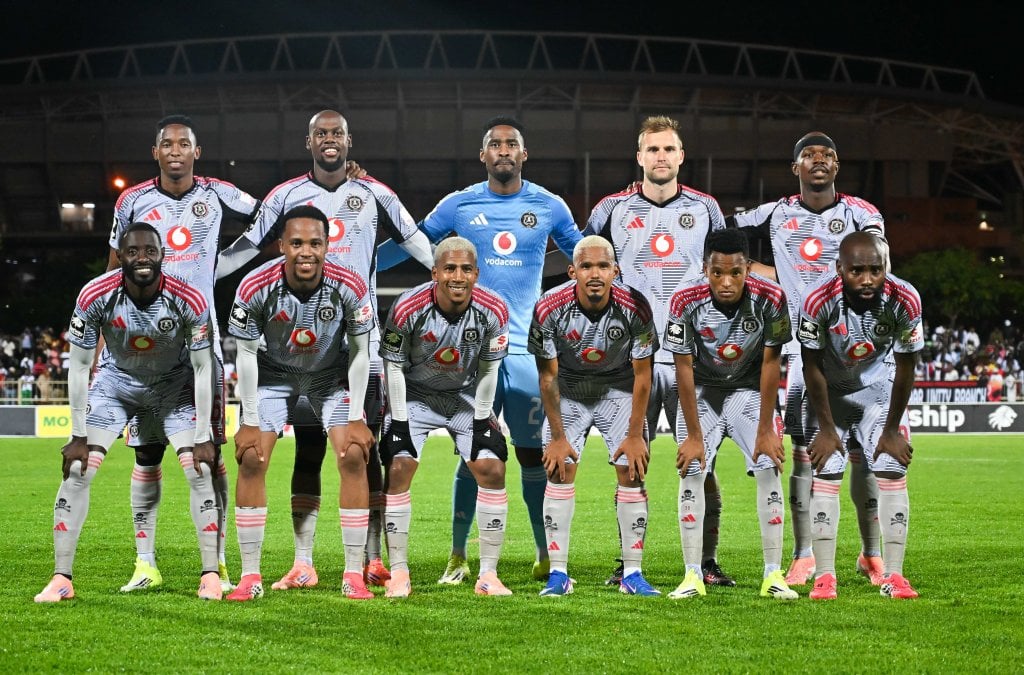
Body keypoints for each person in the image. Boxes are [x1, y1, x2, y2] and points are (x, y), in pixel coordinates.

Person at [218, 109, 433, 590]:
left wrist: (445, 272)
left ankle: (368, 560)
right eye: (321, 133)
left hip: (355, 345)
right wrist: (196, 276)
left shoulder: (374, 192)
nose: (330, 140)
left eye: (337, 133)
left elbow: (415, 238)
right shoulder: (285, 197)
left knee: (363, 448)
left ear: (349, 141)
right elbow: (248, 245)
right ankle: (302, 561)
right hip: (288, 354)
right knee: (308, 452)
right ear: (308, 141)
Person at [377, 115, 582, 584]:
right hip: (469, 351)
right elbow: (413, 243)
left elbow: (585, 252)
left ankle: (543, 552)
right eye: (495, 144)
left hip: (528, 351)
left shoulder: (549, 206)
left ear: (524, 155)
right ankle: (457, 554)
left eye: (512, 144)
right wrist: (361, 259)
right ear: (483, 155)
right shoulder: (459, 204)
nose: (504, 150)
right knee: (474, 454)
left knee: (534, 456)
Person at [729, 132, 887, 586]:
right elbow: (722, 229)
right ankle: (803, 555)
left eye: (827, 156)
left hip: (859, 352)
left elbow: (878, 262)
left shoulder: (861, 213)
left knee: (864, 454)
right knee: (804, 456)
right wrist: (760, 273)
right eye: (808, 156)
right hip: (802, 352)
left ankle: (871, 553)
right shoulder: (776, 213)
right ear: (794, 167)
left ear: (837, 166)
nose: (818, 161)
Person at [110, 114, 260, 593]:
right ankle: (144, 562)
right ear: (155, 152)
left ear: (198, 152)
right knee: (147, 455)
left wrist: (226, 263)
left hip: (200, 348)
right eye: (166, 144)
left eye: (184, 144)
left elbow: (271, 216)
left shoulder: (218, 193)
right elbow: (115, 265)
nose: (175, 150)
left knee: (208, 455)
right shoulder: (132, 200)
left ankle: (215, 562)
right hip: (142, 352)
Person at [584, 115, 733, 587]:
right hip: (634, 360)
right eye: (653, 150)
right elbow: (591, 268)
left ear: (681, 156)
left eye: (669, 149)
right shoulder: (611, 209)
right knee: (631, 463)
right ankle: (628, 565)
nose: (661, 157)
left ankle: (707, 563)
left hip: (695, 358)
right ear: (640, 157)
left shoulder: (707, 209)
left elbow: (724, 275)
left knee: (702, 463)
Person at [35, 223, 220, 602]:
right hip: (116, 385)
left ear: (162, 255)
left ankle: (211, 575)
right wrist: (77, 433)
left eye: (149, 251)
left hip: (172, 386)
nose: (142, 258)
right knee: (77, 468)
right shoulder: (94, 294)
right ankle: (61, 579)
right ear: (120, 256)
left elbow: (203, 368)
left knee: (199, 469)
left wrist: (203, 435)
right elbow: (80, 363)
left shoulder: (189, 298)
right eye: (132, 251)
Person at [224, 205, 376, 601]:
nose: (305, 251)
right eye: (296, 243)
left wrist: (357, 416)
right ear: (281, 247)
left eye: (314, 243)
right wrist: (251, 419)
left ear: (327, 245)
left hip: (328, 376)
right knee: (253, 457)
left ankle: (352, 574)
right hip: (274, 376)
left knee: (354, 454)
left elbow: (361, 351)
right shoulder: (254, 286)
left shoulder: (350, 284)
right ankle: (249, 576)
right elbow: (245, 354)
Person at [662, 229, 798, 600]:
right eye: (717, 272)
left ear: (748, 268)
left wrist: (768, 429)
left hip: (747, 392)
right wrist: (692, 435)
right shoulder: (684, 299)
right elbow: (683, 369)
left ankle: (773, 575)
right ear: (705, 268)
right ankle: (692, 575)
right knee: (691, 468)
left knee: (769, 462)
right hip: (703, 392)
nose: (726, 282)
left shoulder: (771, 297)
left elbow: (772, 363)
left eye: (736, 273)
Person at [378, 237, 513, 597]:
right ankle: (400, 573)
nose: (458, 276)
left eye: (466, 269)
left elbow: (489, 370)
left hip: (464, 397)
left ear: (476, 274)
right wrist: (401, 424)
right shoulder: (407, 307)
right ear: (435, 272)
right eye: (450, 268)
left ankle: (488, 575)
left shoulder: (495, 310)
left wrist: (484, 421)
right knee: (399, 465)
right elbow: (392, 366)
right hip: (415, 394)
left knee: (492, 468)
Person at [528, 235, 659, 597]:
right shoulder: (548, 307)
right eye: (586, 266)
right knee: (560, 469)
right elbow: (548, 376)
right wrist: (557, 437)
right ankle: (559, 575)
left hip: (618, 388)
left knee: (631, 471)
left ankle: (632, 574)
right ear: (573, 272)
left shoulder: (636, 305)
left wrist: (635, 436)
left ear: (616, 270)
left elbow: (644, 375)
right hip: (568, 389)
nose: (595, 273)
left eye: (603, 265)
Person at [799, 232, 922, 600]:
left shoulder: (905, 298)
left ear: (886, 267)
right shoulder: (817, 300)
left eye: (875, 269)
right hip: (829, 394)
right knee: (827, 470)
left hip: (877, 391)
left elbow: (906, 368)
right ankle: (824, 576)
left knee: (891, 465)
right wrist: (824, 427)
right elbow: (811, 365)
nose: (867, 279)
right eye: (857, 271)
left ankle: (895, 576)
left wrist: (891, 430)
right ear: (840, 269)